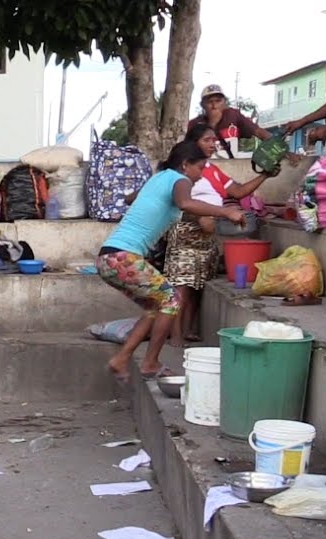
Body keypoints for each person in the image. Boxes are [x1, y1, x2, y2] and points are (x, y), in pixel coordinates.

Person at [97, 141, 245, 382]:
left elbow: (130, 199)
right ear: (185, 165)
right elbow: (185, 203)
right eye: (201, 167)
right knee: (172, 299)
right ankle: (150, 362)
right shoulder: (180, 180)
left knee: (155, 306)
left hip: (108, 257)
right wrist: (226, 212)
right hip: (124, 258)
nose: (201, 174)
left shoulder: (159, 178)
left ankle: (122, 359)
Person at [165, 124, 275, 346]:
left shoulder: (212, 170)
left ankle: (186, 330)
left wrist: (264, 175)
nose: (213, 143)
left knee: (196, 286)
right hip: (186, 231)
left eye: (214, 140)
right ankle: (175, 336)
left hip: (208, 234)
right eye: (207, 140)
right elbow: (178, 202)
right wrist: (199, 218)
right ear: (193, 143)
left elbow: (238, 191)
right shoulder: (181, 170)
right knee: (180, 286)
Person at [188, 85, 273, 155]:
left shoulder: (233, 115)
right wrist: (212, 123)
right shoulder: (194, 124)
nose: (214, 106)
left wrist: (277, 145)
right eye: (210, 102)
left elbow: (258, 132)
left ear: (224, 102)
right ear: (203, 105)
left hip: (231, 164)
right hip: (207, 167)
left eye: (218, 101)